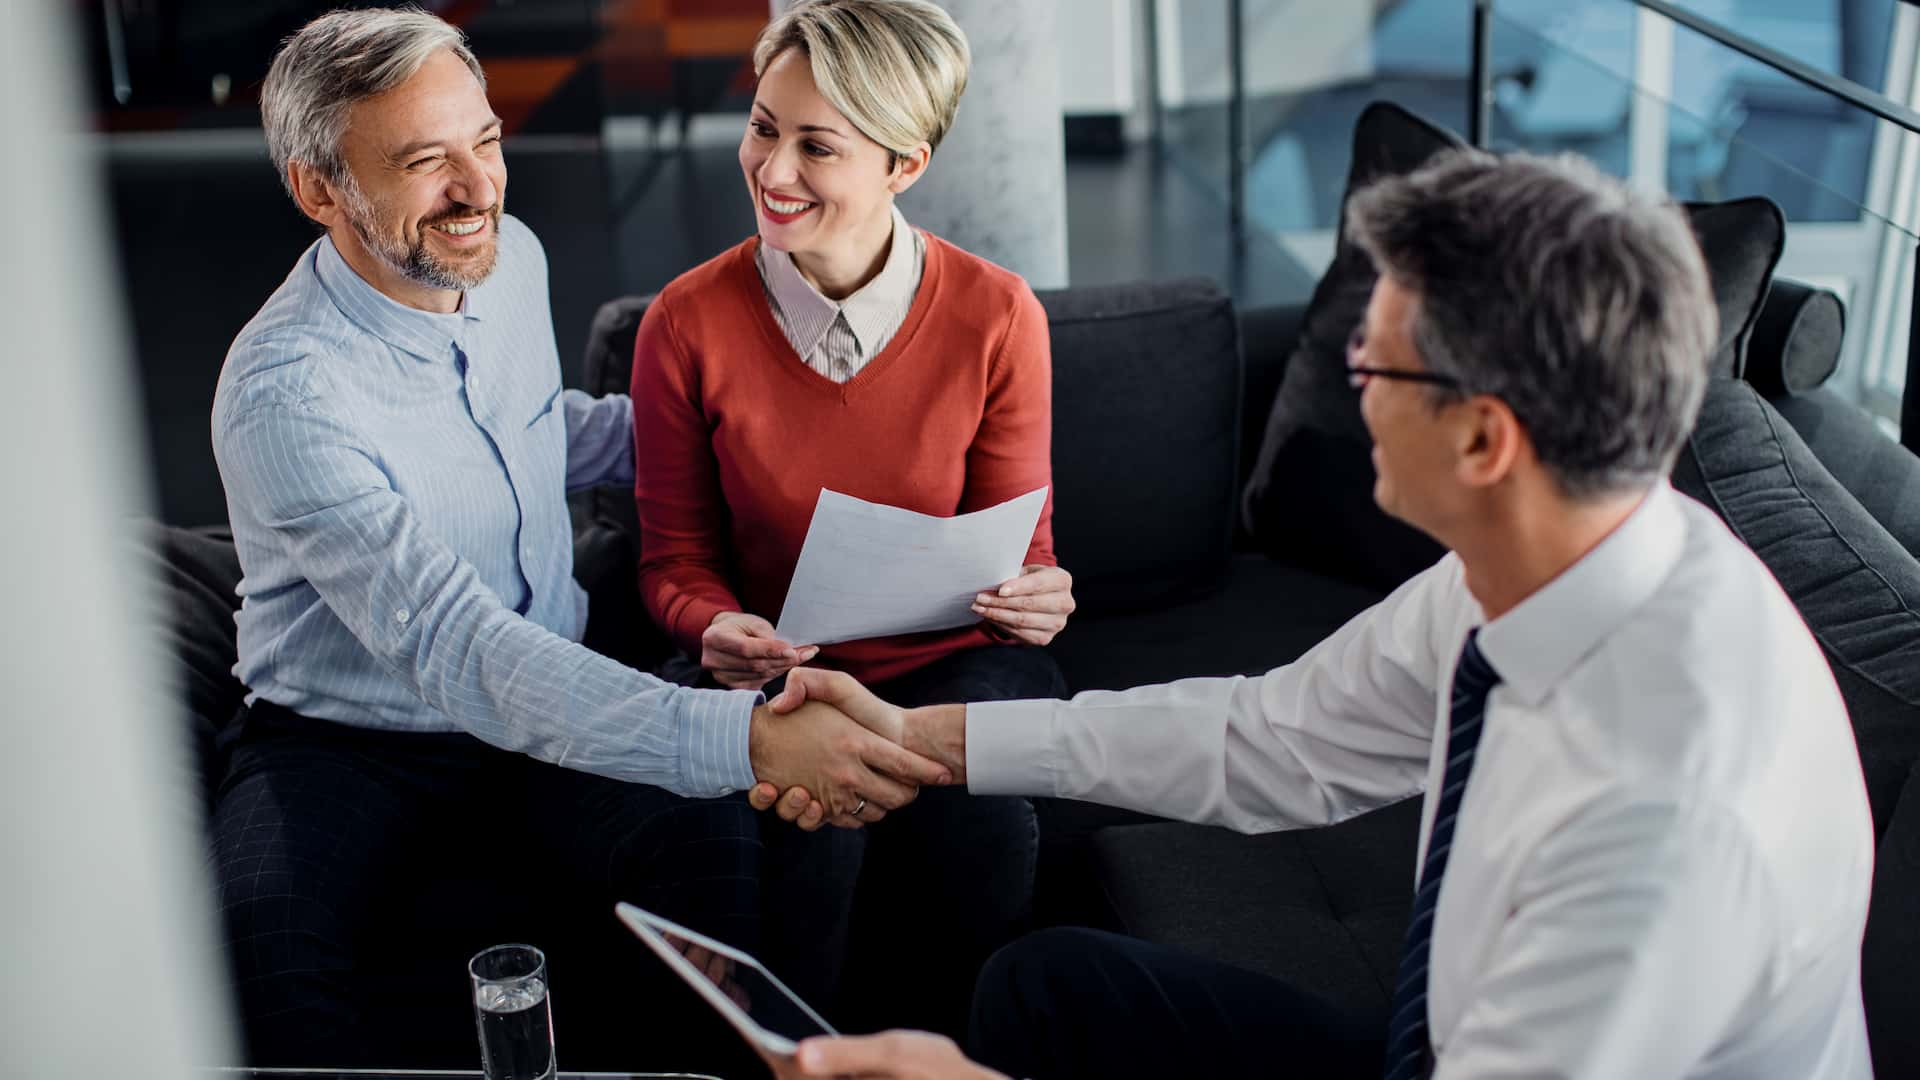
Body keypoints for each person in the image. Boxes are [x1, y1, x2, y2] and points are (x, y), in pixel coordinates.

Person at [755, 149, 1878, 1079]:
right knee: (1049, 988)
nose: (1348, 380)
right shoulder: (1549, 558)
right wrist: (918, 743)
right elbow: (1269, 741)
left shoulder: (1661, 824)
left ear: (1487, 440)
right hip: (1449, 1043)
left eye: (1375, 365)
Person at [208, 8, 946, 1065]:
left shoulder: (508, 263)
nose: (478, 189)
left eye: (488, 141)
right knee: (259, 962)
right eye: (427, 161)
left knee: (713, 845)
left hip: (547, 677)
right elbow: (461, 650)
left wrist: (763, 440)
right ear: (318, 189)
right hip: (341, 745)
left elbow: (530, 431)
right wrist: (743, 738)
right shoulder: (285, 394)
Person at [628, 0, 1074, 1036]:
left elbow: (1029, 556)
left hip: (956, 664)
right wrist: (711, 625)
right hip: (783, 678)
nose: (773, 170)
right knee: (809, 834)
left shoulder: (999, 316)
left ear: (903, 166)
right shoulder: (683, 324)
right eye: (763, 127)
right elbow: (673, 565)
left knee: (985, 831)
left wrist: (1038, 598)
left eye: (816, 146)